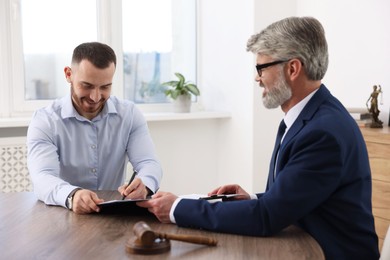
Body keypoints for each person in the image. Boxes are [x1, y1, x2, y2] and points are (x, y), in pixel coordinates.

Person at [138, 17, 380, 259]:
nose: (257, 77)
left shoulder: (322, 133)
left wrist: (177, 209)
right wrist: (252, 198)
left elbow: (266, 217)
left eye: (261, 68)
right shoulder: (310, 116)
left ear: (292, 68)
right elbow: (299, 195)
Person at [27, 42, 162, 214]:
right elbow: (42, 177)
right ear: (69, 74)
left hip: (114, 215)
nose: (95, 97)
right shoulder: (45, 120)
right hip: (63, 212)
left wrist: (145, 183)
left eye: (105, 87)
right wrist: (72, 195)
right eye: (87, 85)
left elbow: (149, 163)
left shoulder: (129, 114)